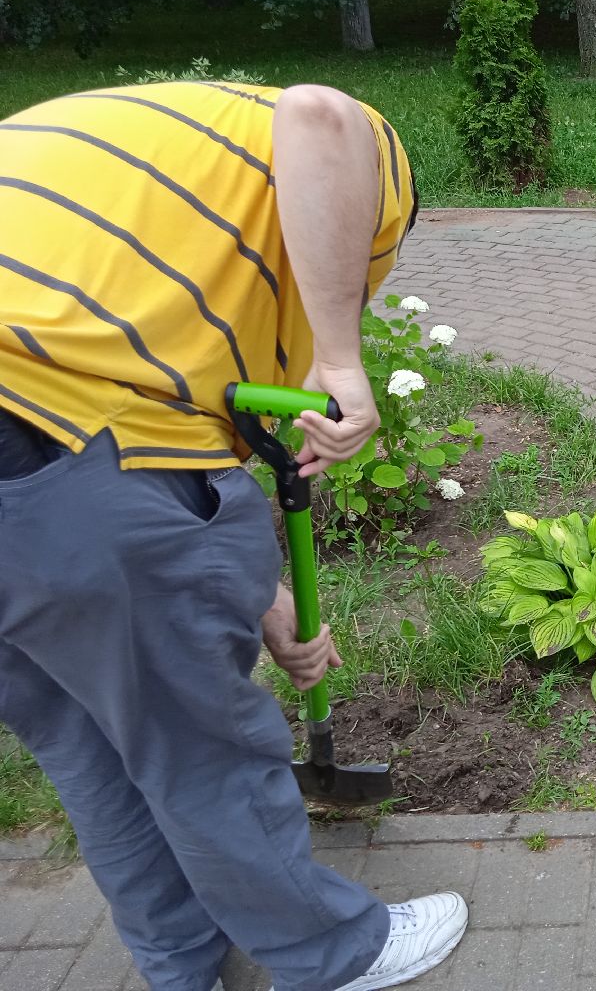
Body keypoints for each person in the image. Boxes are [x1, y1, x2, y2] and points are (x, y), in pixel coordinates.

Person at [0, 81, 468, 991]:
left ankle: (182, 963)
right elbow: (321, 117)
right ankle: (332, 953)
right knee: (198, 742)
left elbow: (191, 457)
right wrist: (339, 356)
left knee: (87, 736)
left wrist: (259, 594)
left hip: (41, 468)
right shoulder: (356, 162)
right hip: (46, 436)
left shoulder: (147, 174)